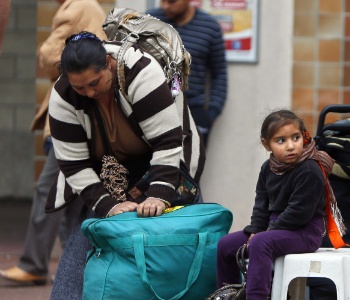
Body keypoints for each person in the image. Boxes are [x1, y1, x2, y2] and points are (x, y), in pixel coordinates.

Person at [46, 31, 206, 299]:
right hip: (111, 173)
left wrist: (158, 195)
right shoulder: (63, 95)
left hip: (167, 165)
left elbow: (168, 142)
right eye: (80, 87)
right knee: (78, 261)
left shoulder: (140, 70)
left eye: (95, 83)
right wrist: (108, 206)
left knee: (180, 253)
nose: (89, 92)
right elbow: (73, 165)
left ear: (108, 63)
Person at [0, 0, 106, 285]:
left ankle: (35, 263)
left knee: (51, 191)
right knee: (71, 203)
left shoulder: (76, 8)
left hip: (71, 120)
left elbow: (50, 58)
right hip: (80, 118)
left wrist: (44, 51)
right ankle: (79, 268)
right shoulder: (89, 7)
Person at [216, 109, 342, 300]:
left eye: (296, 138)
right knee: (225, 245)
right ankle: (228, 295)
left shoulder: (309, 169)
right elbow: (261, 204)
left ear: (304, 137)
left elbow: (298, 213)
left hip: (304, 232)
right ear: (266, 144)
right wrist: (255, 230)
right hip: (273, 229)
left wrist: (263, 234)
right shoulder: (268, 168)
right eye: (281, 141)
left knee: (260, 243)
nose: (290, 146)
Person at [147, 0, 227, 146]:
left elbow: (219, 73)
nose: (165, 6)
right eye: (162, 1)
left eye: (171, 1)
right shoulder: (150, 22)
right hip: (155, 107)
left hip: (193, 110)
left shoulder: (209, 27)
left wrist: (211, 113)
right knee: (156, 166)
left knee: (190, 166)